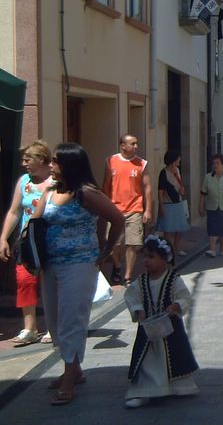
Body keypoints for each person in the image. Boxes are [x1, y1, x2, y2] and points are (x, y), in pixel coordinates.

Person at [32, 142, 125, 405]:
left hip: (79, 265)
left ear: (69, 165)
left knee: (72, 319)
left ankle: (69, 378)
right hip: (50, 265)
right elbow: (37, 222)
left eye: (55, 161)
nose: (50, 165)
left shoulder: (86, 193)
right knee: (53, 321)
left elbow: (116, 218)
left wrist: (106, 250)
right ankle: (75, 369)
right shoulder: (50, 191)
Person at [123, 235, 198, 408]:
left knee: (174, 358)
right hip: (148, 330)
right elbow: (131, 296)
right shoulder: (141, 281)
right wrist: (138, 309)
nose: (146, 261)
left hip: (170, 330)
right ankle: (145, 391)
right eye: (145, 256)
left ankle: (177, 387)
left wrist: (176, 306)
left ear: (165, 259)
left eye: (151, 257)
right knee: (147, 361)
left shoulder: (173, 280)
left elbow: (185, 297)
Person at [0, 140, 53, 345]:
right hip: (26, 242)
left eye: (27, 159)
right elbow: (14, 212)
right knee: (24, 281)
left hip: (50, 240)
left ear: (41, 160)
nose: (24, 163)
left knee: (50, 284)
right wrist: (4, 237)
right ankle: (29, 327)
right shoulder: (24, 182)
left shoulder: (55, 182)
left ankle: (52, 326)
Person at [103, 134, 153, 286]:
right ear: (123, 145)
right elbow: (105, 185)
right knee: (112, 244)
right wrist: (104, 208)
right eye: (133, 143)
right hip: (114, 209)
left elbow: (147, 187)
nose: (136, 146)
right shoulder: (111, 161)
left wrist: (148, 209)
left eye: (137, 143)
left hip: (134, 208)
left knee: (132, 243)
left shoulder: (141, 164)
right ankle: (117, 266)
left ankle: (127, 276)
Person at [156, 150, 189, 257]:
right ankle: (168, 250)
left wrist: (181, 190)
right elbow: (160, 191)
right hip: (168, 204)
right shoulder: (163, 173)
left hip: (178, 203)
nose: (179, 161)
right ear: (172, 160)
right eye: (177, 159)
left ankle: (177, 248)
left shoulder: (177, 171)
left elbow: (178, 184)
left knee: (180, 229)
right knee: (169, 230)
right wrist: (161, 206)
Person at [199, 154, 223, 258]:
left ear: (222, 165)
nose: (215, 165)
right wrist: (201, 207)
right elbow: (203, 193)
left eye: (218, 163)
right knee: (212, 229)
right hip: (211, 207)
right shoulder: (208, 177)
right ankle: (212, 249)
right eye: (214, 163)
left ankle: (222, 249)